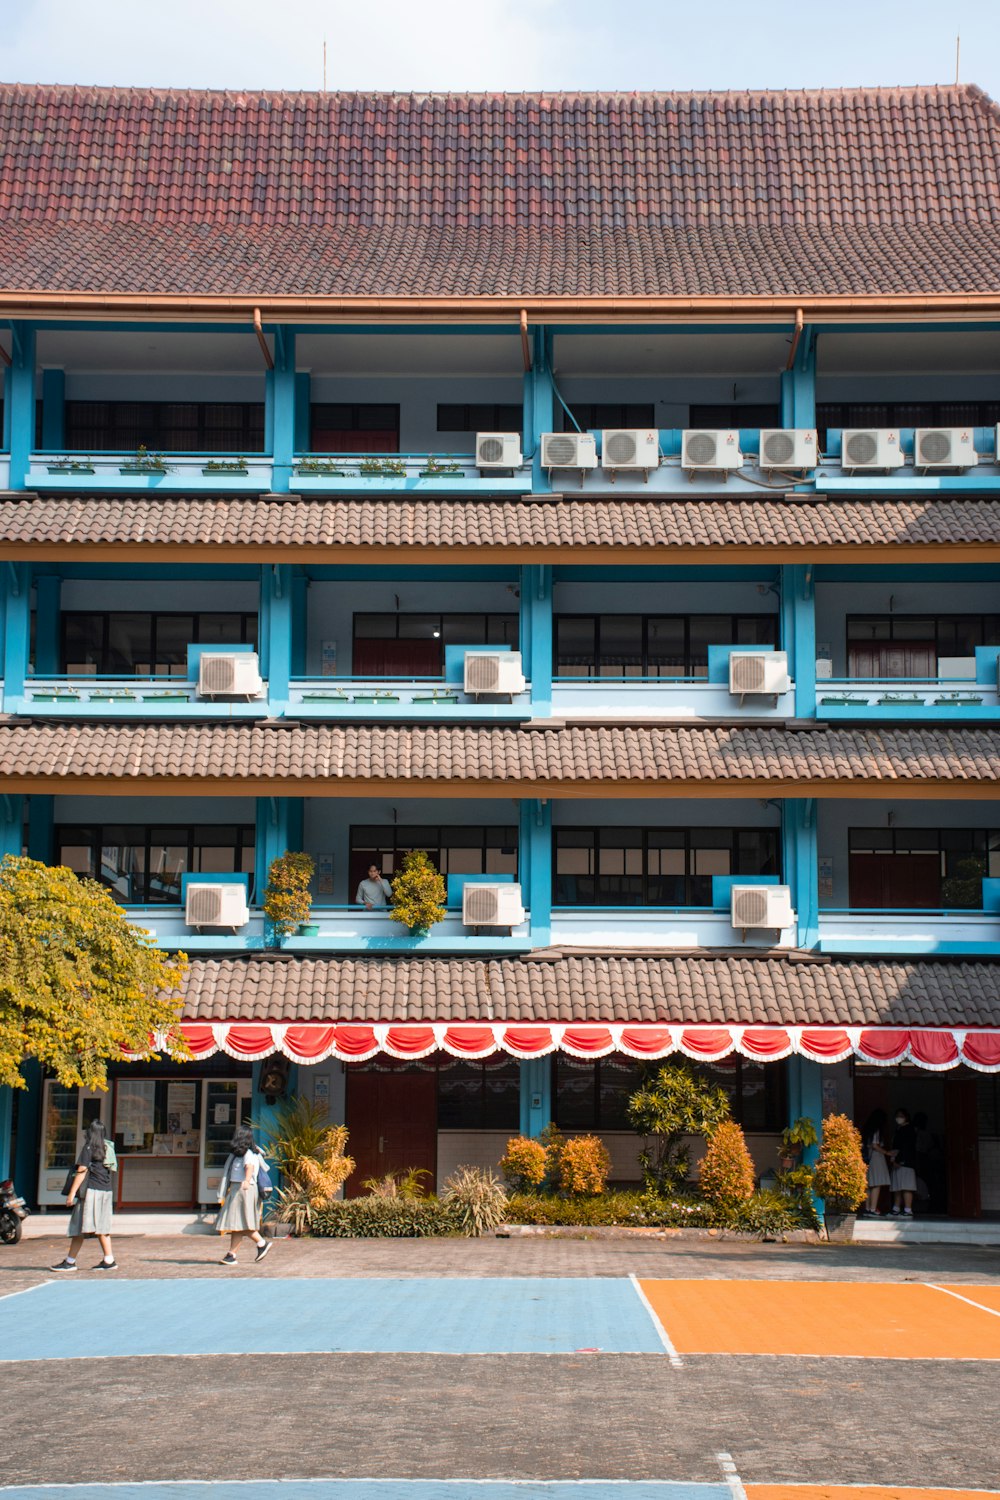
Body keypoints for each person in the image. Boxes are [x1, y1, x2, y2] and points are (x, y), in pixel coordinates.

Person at [51, 1119, 117, 1272]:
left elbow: (81, 1171)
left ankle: (70, 1261)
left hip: (91, 1192)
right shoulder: (108, 1147)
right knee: (102, 1227)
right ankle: (109, 1259)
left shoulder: (88, 1148)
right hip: (106, 1191)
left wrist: (71, 1193)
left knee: (79, 1226)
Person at [215, 1125, 270, 1265]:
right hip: (237, 1188)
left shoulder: (248, 1154)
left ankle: (261, 1243)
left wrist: (246, 1180)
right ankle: (232, 1254)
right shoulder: (239, 1154)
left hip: (244, 1189)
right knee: (237, 1223)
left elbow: (249, 1167)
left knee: (241, 1222)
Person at [861, 1108, 892, 1217]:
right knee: (877, 1183)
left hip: (867, 1158)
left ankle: (868, 1208)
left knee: (869, 1184)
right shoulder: (876, 1130)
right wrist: (887, 1152)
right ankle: (873, 1209)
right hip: (876, 1157)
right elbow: (875, 1145)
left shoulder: (867, 1129)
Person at [890, 1107, 918, 1217]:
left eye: (901, 1116)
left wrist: (900, 1160)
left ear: (906, 1117)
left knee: (906, 1186)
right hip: (897, 1162)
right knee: (897, 1186)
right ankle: (896, 1208)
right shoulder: (898, 1129)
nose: (898, 1118)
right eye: (897, 1116)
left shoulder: (909, 1130)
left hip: (906, 1162)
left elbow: (907, 1147)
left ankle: (907, 1209)